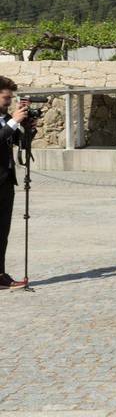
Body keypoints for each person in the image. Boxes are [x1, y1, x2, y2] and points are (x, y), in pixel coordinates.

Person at [0, 76, 29, 289]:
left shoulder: (5, 118)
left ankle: (0, 275)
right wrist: (13, 122)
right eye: (5, 97)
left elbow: (21, 143)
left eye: (10, 98)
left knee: (2, 232)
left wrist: (28, 127)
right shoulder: (8, 120)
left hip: (6, 181)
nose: (9, 102)